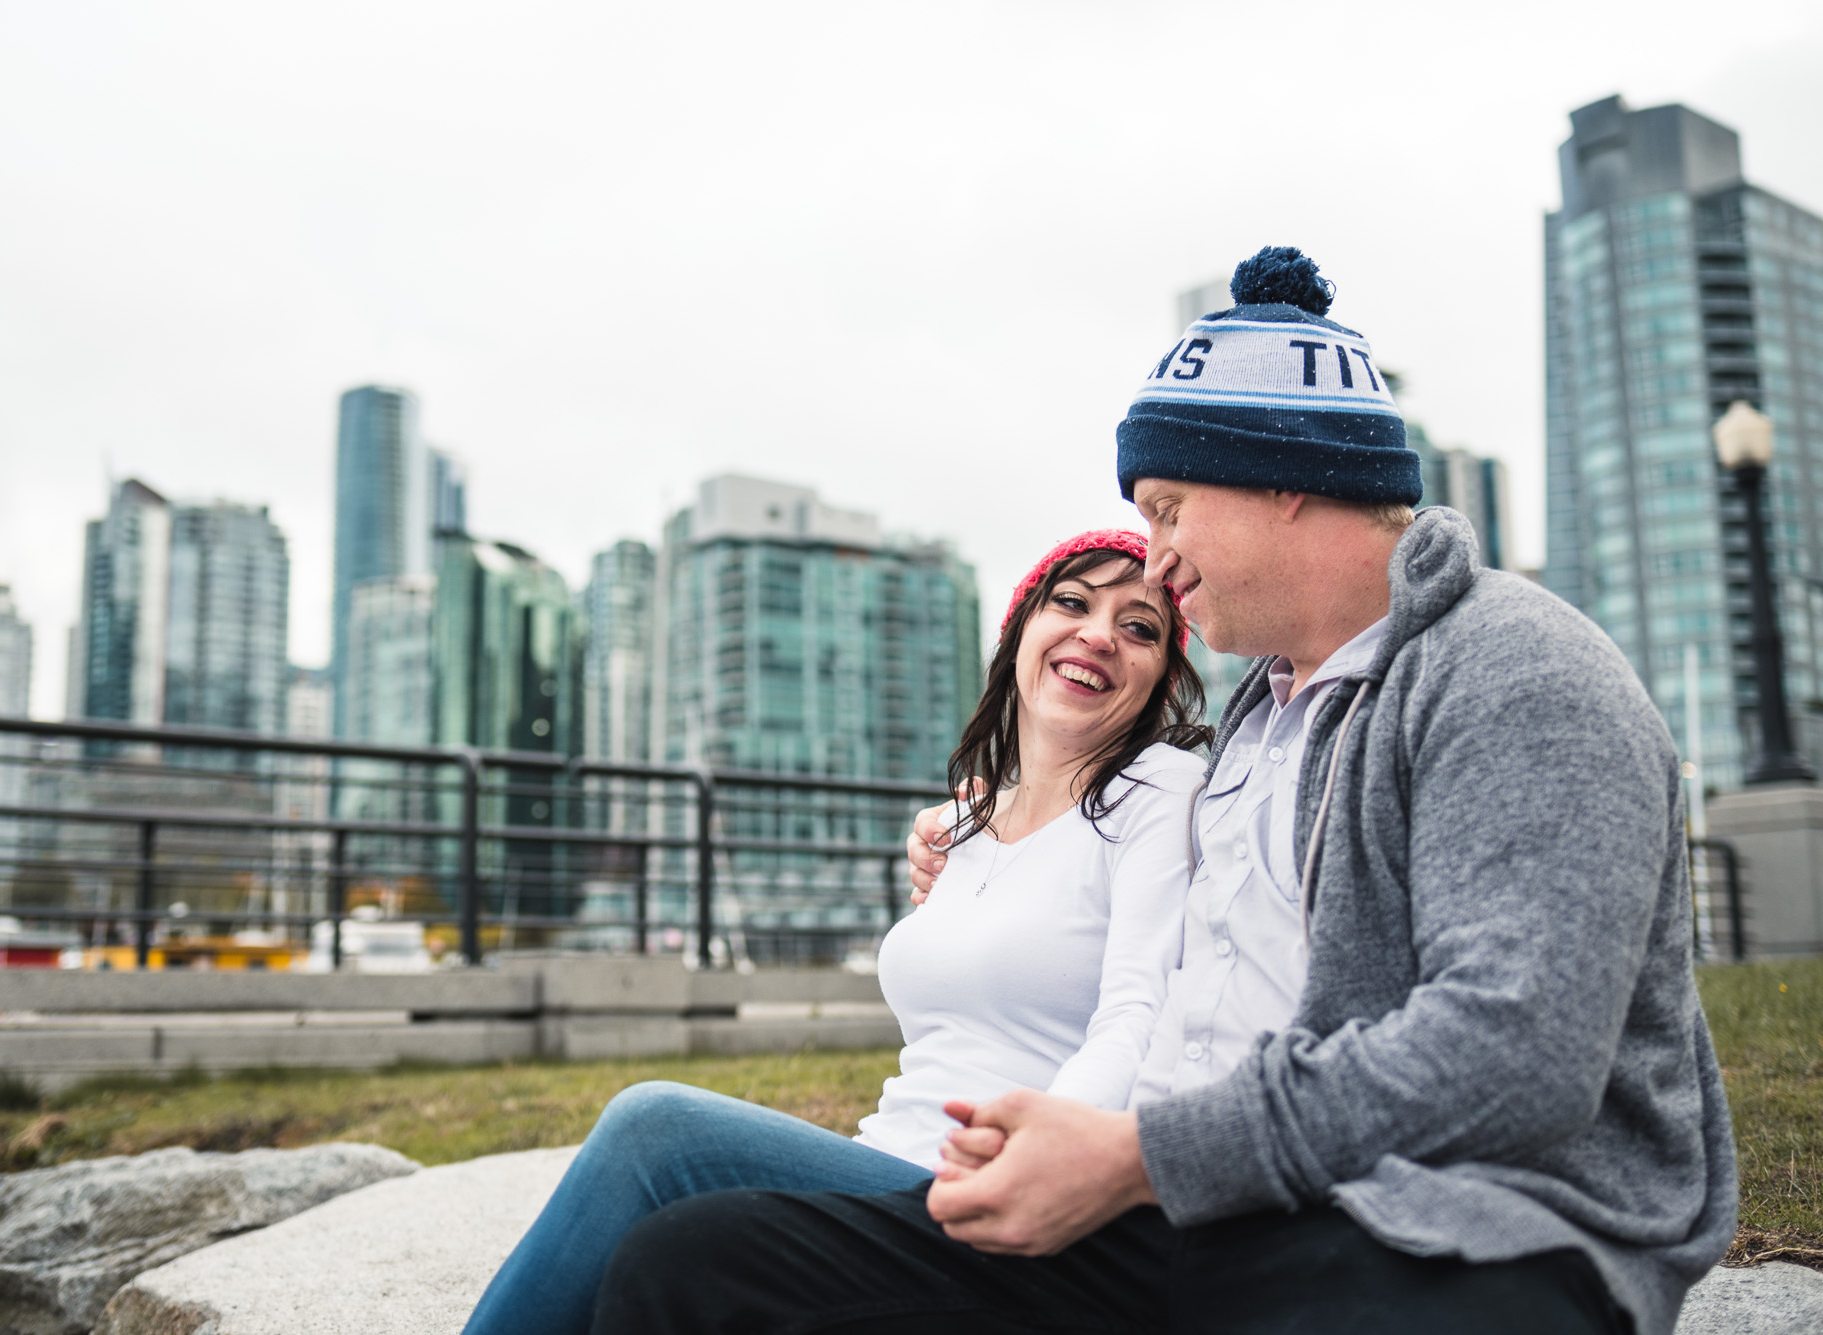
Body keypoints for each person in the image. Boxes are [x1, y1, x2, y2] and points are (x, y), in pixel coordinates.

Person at [588, 247, 1738, 1335]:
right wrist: (968, 850)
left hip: (1452, 1235)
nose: (1153, 557)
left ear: (1279, 481)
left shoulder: (1514, 669)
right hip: (1208, 1221)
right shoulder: (1257, 724)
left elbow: (1513, 1056)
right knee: (693, 1264)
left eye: (1168, 509)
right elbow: (1113, 897)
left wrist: (1136, 1157)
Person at [460, 529, 1212, 1335]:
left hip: (1002, 1183)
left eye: (1140, 627)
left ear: (1162, 680)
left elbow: (1136, 1010)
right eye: (1071, 602)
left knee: (655, 1130)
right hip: (885, 1159)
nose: (1099, 633)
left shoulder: (1157, 789)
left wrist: (1041, 1154)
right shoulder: (962, 825)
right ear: (1020, 629)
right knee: (652, 1240)